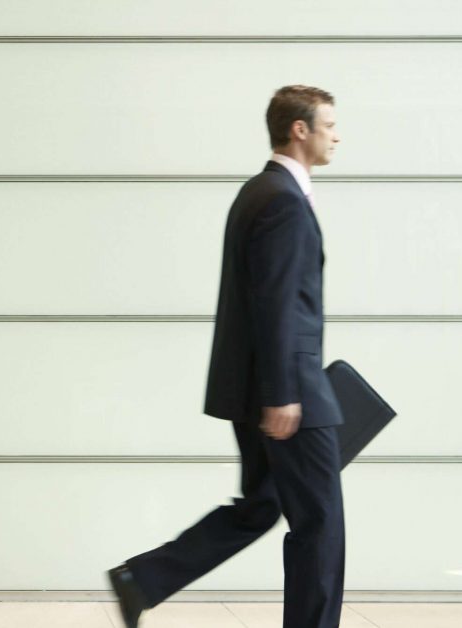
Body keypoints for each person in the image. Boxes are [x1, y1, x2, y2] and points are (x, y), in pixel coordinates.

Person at [107, 85, 346, 628]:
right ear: (299, 129)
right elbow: (276, 304)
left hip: (263, 388)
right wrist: (283, 394)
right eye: (329, 123)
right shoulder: (282, 201)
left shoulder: (258, 192)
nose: (338, 134)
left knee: (262, 505)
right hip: (291, 395)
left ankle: (142, 579)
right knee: (321, 523)